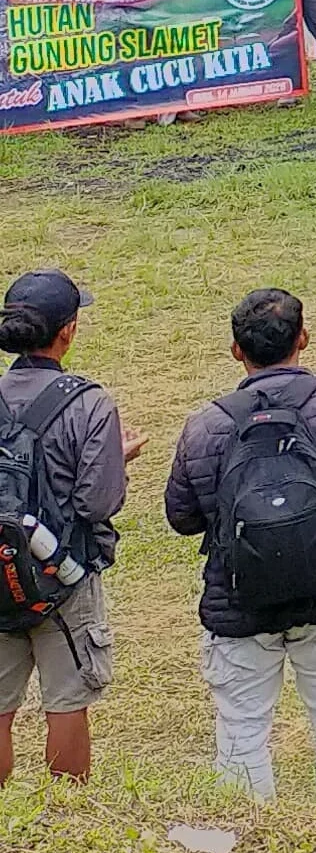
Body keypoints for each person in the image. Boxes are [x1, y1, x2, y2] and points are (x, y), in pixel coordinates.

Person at [162, 287, 316, 803]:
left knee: (241, 731)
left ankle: (249, 841)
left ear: (236, 350)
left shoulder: (205, 425)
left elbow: (182, 517)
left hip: (240, 601)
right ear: (304, 338)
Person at [0, 271, 134, 783]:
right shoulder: (90, 403)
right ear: (68, 331)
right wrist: (118, 461)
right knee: (67, 699)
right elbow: (97, 501)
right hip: (65, 574)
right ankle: (66, 810)